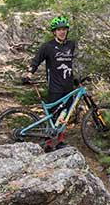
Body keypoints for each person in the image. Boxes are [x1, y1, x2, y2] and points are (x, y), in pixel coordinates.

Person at [26, 15, 77, 149]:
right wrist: (29, 73)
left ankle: (60, 141)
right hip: (54, 87)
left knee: (65, 114)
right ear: (54, 32)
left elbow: (70, 64)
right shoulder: (47, 46)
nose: (62, 32)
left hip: (68, 86)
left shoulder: (71, 45)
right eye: (59, 29)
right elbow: (36, 61)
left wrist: (75, 79)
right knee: (52, 116)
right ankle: (48, 143)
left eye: (64, 29)